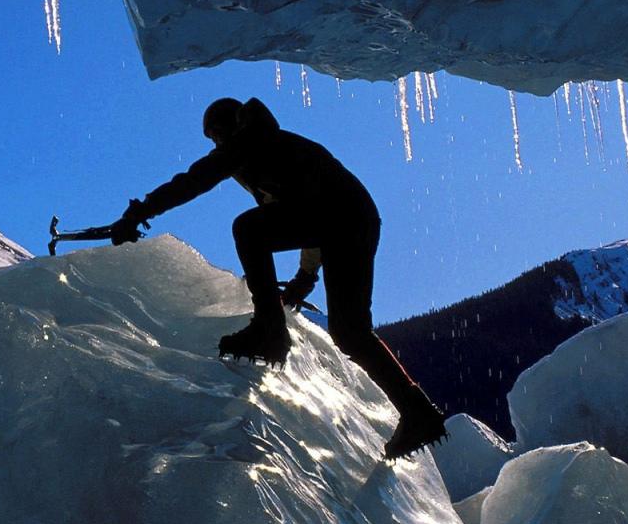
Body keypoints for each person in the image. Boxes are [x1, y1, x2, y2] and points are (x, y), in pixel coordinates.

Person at [110, 96, 447, 459]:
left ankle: (270, 331)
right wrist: (306, 274)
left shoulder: (252, 139)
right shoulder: (269, 153)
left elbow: (197, 179)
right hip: (352, 219)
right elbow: (309, 205)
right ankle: (417, 411)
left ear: (231, 126)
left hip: (344, 218)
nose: (216, 144)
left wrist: (141, 211)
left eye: (216, 136)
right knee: (350, 332)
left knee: (248, 229)